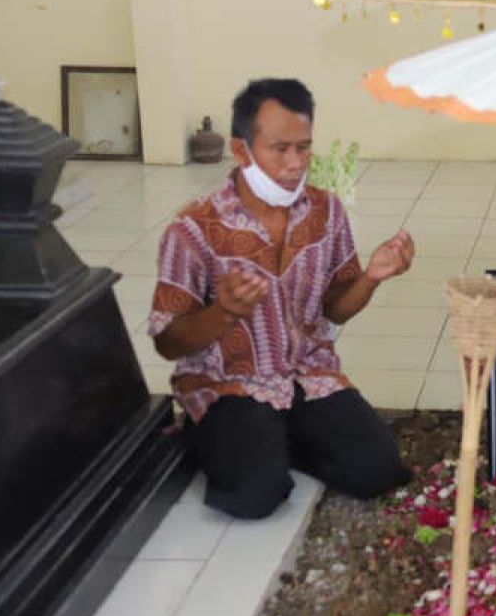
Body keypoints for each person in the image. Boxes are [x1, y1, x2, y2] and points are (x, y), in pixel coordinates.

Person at [149, 78, 415, 519]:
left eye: (304, 147)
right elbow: (168, 342)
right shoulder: (193, 229)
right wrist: (224, 312)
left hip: (308, 375)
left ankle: (272, 441)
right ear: (241, 151)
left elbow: (336, 307)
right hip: (229, 385)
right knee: (255, 498)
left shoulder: (326, 211)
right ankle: (217, 438)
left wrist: (372, 277)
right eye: (280, 149)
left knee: (378, 471)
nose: (295, 164)